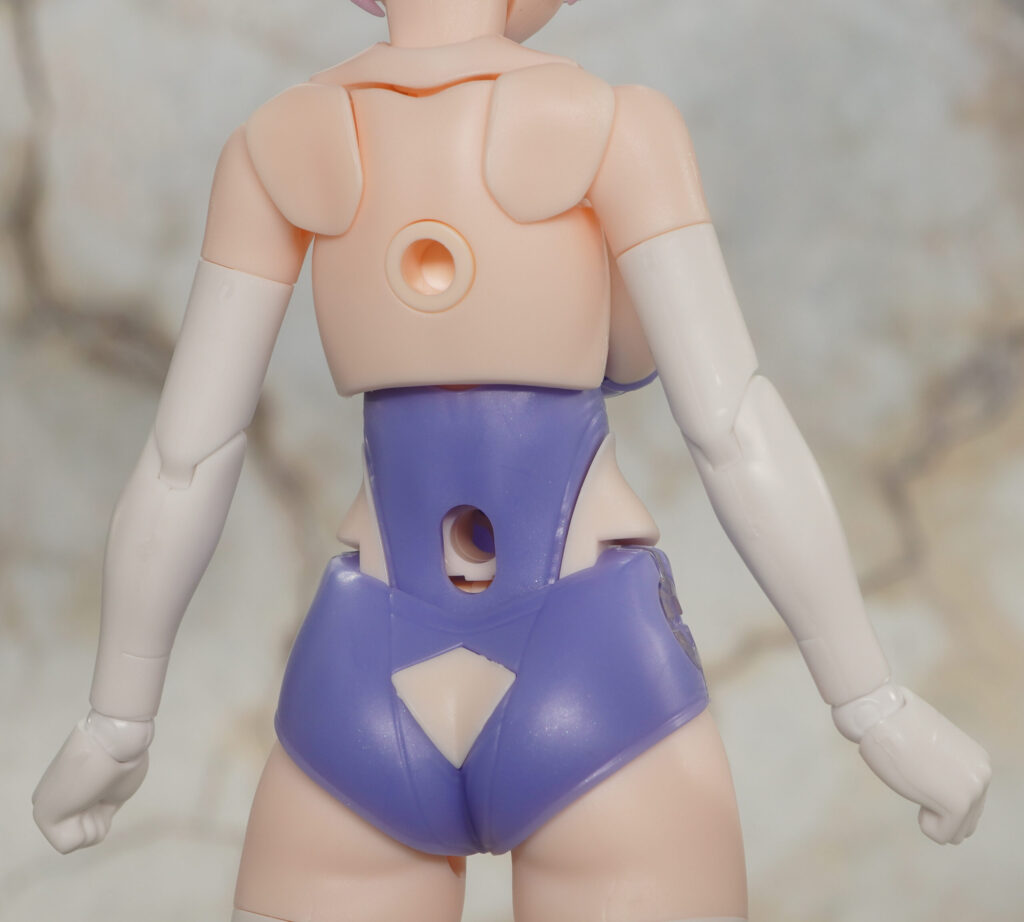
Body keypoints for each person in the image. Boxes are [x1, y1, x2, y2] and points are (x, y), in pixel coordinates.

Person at [32, 2, 991, 921]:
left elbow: (185, 461)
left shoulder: (279, 146)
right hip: (592, 665)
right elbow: (734, 428)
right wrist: (873, 703)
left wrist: (117, 720)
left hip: (358, 679)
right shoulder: (614, 129)